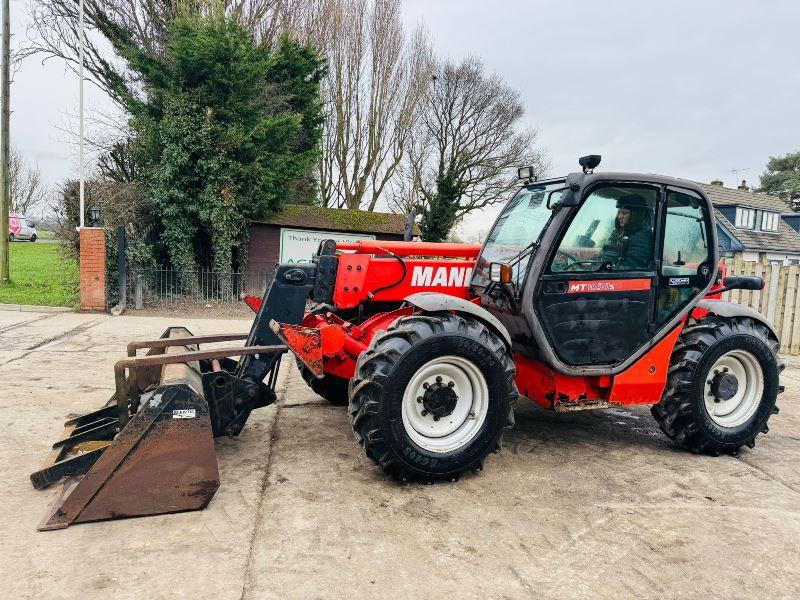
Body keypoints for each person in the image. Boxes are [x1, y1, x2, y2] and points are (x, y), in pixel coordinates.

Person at [597, 194, 652, 270]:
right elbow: (608, 255)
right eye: (619, 212)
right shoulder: (619, 232)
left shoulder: (641, 236)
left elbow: (632, 267)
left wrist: (605, 269)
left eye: (624, 213)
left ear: (636, 215)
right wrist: (593, 265)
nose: (619, 216)